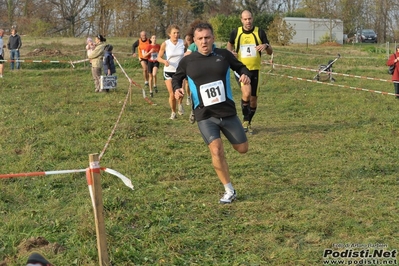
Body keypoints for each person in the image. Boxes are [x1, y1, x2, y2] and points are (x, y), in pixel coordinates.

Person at [172, 22, 251, 204]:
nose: (204, 41)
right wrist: (177, 89)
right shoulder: (188, 61)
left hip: (227, 112)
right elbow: (177, 77)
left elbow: (241, 67)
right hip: (205, 114)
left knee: (242, 149)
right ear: (195, 40)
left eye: (207, 37)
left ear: (213, 38)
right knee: (216, 150)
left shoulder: (223, 55)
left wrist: (244, 74)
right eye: (200, 38)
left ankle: (227, 171)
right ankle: (229, 190)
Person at [227, 10, 273, 134]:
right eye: (245, 19)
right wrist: (230, 53)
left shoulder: (260, 32)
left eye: (250, 19)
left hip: (255, 70)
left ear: (253, 19)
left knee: (253, 100)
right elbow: (229, 45)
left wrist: (266, 46)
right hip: (241, 69)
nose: (248, 21)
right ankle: (245, 122)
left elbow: (270, 51)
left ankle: (247, 122)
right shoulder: (236, 32)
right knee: (246, 94)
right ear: (241, 20)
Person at [157, 24, 185, 119]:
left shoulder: (182, 43)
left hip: (180, 72)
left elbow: (187, 53)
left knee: (180, 93)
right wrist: (164, 61)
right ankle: (173, 112)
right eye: (174, 33)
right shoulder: (165, 44)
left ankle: (180, 104)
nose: (176, 35)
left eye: (178, 33)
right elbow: (158, 57)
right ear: (169, 34)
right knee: (172, 94)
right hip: (168, 71)